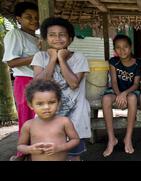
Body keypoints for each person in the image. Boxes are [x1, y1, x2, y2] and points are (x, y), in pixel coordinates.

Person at [32, 17, 90, 161]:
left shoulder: (79, 57)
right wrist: (52, 60)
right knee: (49, 156)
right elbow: (38, 85)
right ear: (45, 38)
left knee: (73, 157)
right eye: (52, 35)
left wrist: (62, 59)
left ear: (70, 39)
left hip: (75, 118)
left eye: (62, 34)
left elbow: (74, 83)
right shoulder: (40, 57)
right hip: (46, 119)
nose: (57, 38)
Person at [2, 2, 39, 159]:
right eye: (28, 17)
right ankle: (22, 154)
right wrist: (38, 57)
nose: (33, 20)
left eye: (36, 17)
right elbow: (11, 62)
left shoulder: (37, 38)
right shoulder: (15, 34)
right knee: (26, 119)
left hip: (40, 81)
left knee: (41, 119)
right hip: (25, 81)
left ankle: (37, 151)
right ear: (18, 19)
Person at [17, 79, 80, 161]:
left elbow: (75, 140)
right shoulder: (28, 125)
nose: (46, 107)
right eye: (40, 104)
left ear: (58, 103)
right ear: (31, 105)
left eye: (51, 102)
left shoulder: (64, 122)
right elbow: (20, 146)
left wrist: (60, 148)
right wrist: (30, 149)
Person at [101, 35, 141, 157]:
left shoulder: (137, 63)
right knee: (106, 99)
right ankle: (111, 138)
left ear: (130, 48)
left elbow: (135, 84)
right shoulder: (114, 62)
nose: (122, 50)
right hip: (116, 90)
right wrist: (119, 95)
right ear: (114, 49)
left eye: (125, 47)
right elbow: (113, 81)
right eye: (118, 47)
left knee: (133, 98)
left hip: (130, 91)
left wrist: (124, 94)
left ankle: (127, 138)